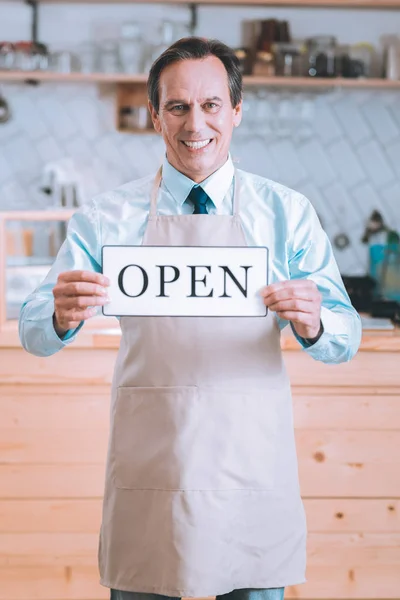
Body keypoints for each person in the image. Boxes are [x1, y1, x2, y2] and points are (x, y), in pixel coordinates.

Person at [19, 37, 362, 600]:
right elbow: (33, 332)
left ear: (236, 112)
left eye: (210, 106)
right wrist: (58, 315)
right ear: (156, 115)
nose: (194, 123)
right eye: (177, 107)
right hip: (152, 466)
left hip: (249, 468)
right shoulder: (107, 217)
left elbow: (343, 340)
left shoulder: (287, 214)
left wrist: (316, 322)